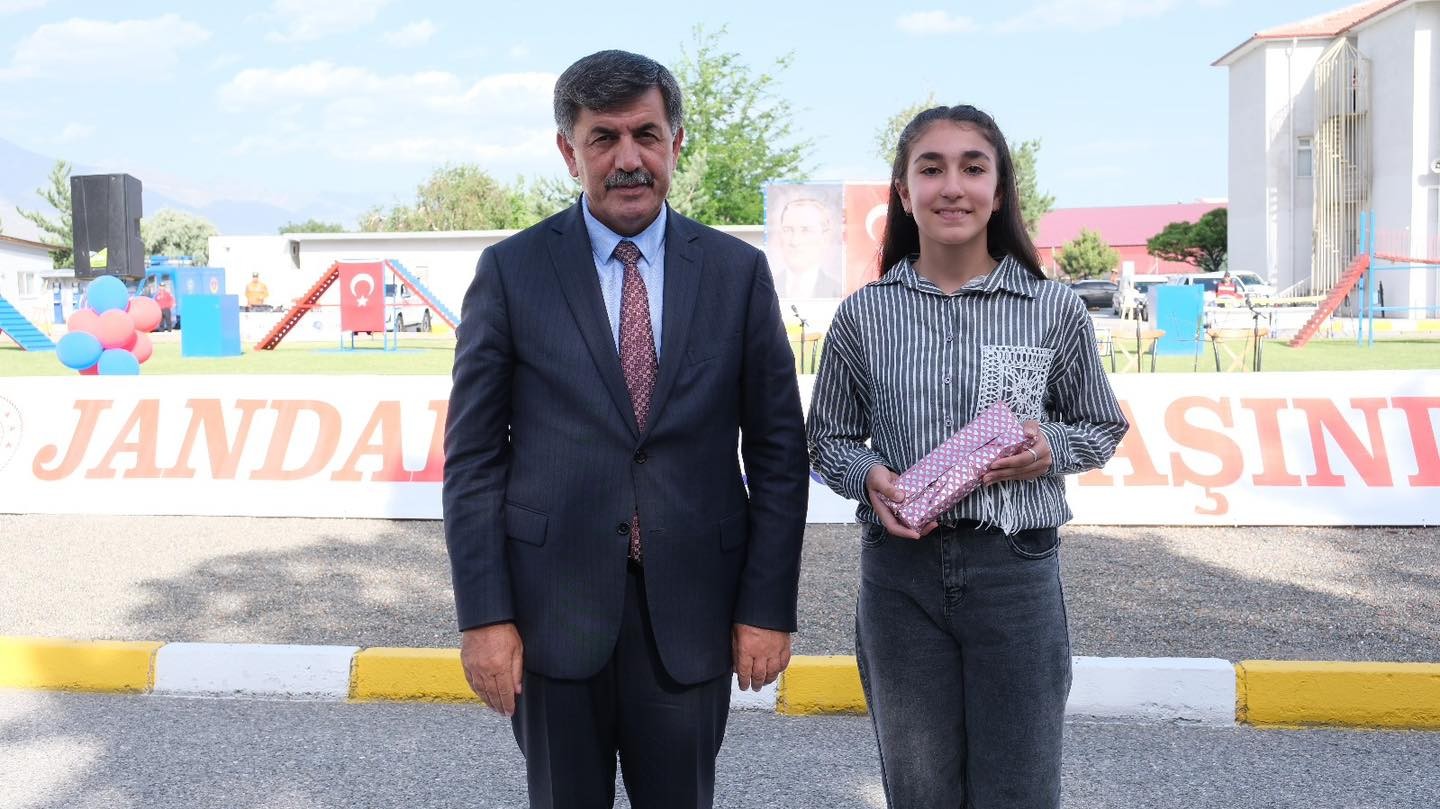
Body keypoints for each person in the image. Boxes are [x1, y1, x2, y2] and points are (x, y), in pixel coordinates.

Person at [443, 49, 808, 809]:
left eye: (646, 134)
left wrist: (766, 607)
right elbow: (473, 461)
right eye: (603, 138)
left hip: (693, 617)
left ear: (677, 141)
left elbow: (778, 454)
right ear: (568, 151)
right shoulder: (511, 272)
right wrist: (485, 617)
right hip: (551, 621)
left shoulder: (737, 274)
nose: (628, 158)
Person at [807, 105, 1128, 809]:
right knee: (921, 791)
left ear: (1000, 188)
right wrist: (869, 477)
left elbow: (1102, 425)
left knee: (1020, 789)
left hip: (1014, 572)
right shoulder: (864, 315)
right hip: (900, 578)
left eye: (973, 167)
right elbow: (826, 438)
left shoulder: (1052, 308)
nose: (952, 186)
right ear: (903, 191)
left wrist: (1049, 448)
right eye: (931, 168)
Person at [776, 197, 843, 299]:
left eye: (806, 230)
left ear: (824, 237)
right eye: (787, 230)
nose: (795, 241)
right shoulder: (766, 286)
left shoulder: (839, 291)